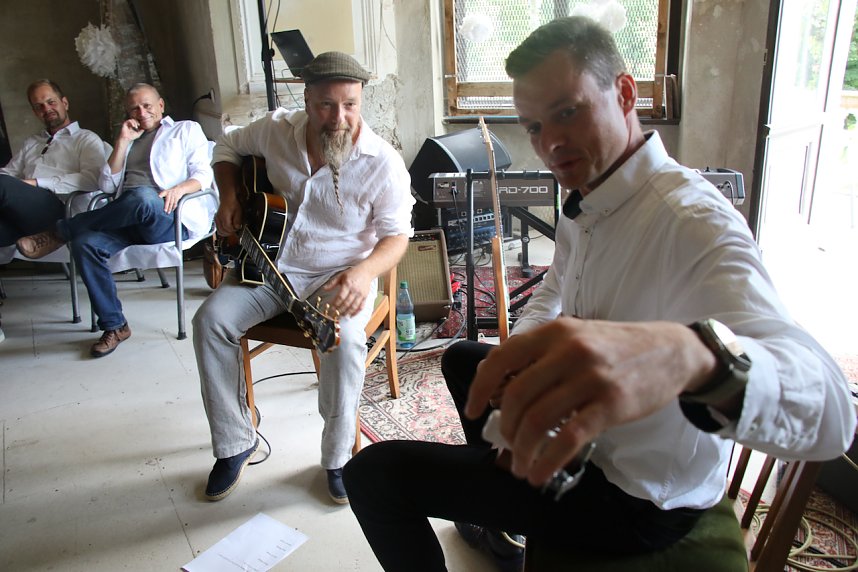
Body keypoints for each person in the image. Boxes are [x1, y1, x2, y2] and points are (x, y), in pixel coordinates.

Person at [342, 17, 857, 572]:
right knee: (467, 360)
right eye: (534, 126)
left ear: (626, 93)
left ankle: (510, 505)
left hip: (636, 500)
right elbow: (558, 289)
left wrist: (695, 358)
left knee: (373, 476)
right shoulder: (589, 191)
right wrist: (529, 350)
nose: (550, 144)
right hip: (585, 448)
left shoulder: (695, 219)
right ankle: (503, 516)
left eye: (568, 112)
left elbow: (834, 412)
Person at [192, 52, 414, 505]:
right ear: (306, 99)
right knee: (209, 321)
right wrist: (229, 195)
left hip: (339, 276)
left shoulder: (382, 161)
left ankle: (336, 459)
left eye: (350, 105)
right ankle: (236, 442)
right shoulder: (276, 129)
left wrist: (364, 272)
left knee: (345, 341)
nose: (339, 118)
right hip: (267, 265)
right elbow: (226, 147)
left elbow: (397, 236)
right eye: (326, 105)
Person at [17, 83, 214, 358]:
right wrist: (122, 142)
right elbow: (106, 186)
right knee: (86, 243)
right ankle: (114, 326)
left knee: (144, 198)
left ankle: (62, 231)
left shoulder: (185, 130)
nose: (142, 112)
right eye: (134, 107)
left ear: (160, 105)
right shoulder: (128, 138)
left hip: (167, 215)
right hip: (127, 218)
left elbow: (203, 174)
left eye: (147, 105)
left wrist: (179, 189)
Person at [1, 79, 106, 247]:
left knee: (2, 184)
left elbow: (93, 178)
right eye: (39, 106)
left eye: (51, 102)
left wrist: (36, 183)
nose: (46, 109)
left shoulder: (85, 138)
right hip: (25, 215)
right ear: (35, 112)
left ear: (64, 103)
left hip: (61, 212)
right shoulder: (32, 142)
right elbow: (9, 172)